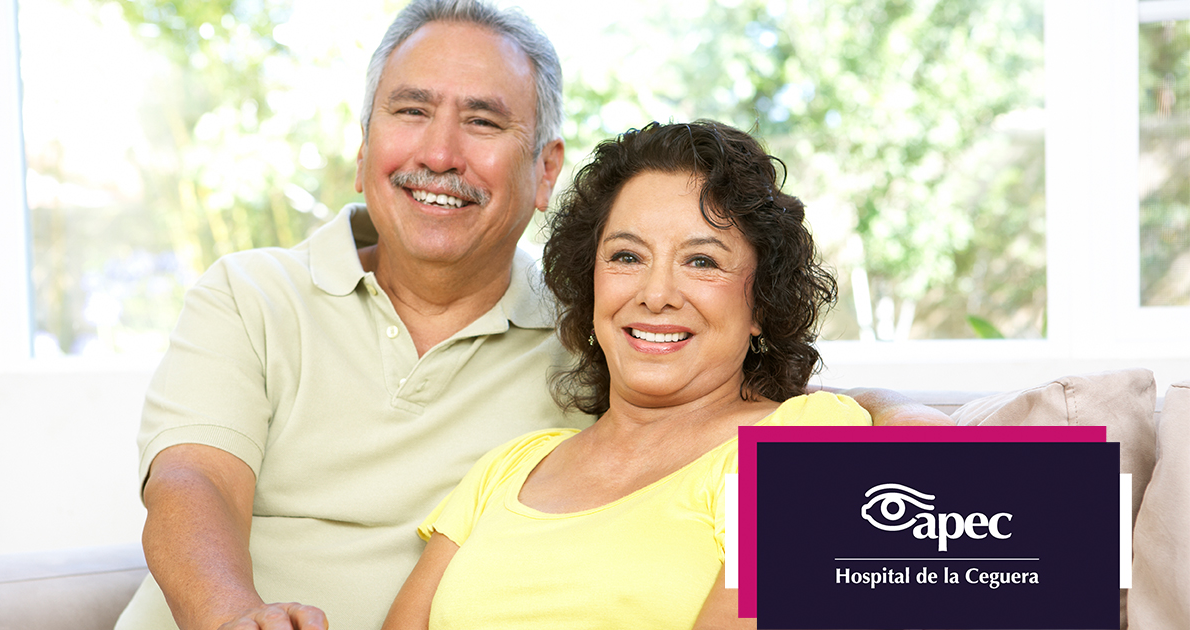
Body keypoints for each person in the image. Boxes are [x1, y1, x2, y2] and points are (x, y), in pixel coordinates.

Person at [117, 2, 950, 630]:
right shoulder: (253, 295)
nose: (440, 152)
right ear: (364, 144)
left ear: (543, 169)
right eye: (410, 111)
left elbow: (1045, 538)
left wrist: (904, 419)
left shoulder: (646, 367)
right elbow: (193, 482)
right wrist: (232, 618)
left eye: (483, 120)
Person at [381, 120, 873, 630]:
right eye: (626, 256)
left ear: (759, 305)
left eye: (702, 261)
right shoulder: (508, 468)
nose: (656, 293)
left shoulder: (801, 436)